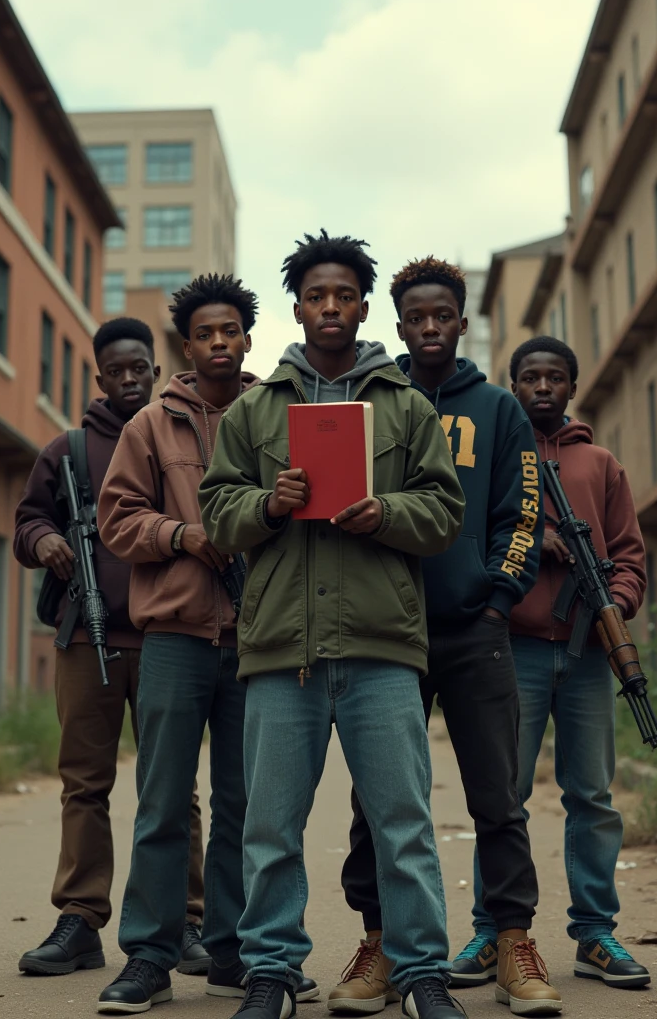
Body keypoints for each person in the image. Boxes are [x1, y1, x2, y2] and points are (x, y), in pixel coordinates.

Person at [199, 230, 468, 1019]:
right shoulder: (253, 411)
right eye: (316, 296)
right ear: (297, 306)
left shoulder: (408, 406)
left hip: (382, 648)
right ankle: (273, 973)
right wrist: (265, 505)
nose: (329, 307)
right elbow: (217, 512)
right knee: (271, 827)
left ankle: (421, 973)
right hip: (284, 650)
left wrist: (387, 512)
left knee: (404, 826)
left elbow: (445, 512)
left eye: (343, 295)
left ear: (359, 306)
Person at [336, 258, 562, 1019]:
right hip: (387, 632)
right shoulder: (376, 401)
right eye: (415, 318)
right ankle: (378, 944)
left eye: (443, 316)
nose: (429, 328)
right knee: (377, 802)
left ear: (462, 322)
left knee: (498, 799)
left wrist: (497, 601)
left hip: (473, 631)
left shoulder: (498, 408)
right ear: (396, 325)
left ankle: (512, 945)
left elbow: (521, 512)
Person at [96, 275, 312, 1015]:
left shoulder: (276, 414)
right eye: (205, 333)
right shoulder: (149, 426)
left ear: (248, 337)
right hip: (176, 639)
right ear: (185, 346)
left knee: (246, 806)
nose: (220, 342)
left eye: (231, 331)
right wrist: (185, 535)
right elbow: (117, 521)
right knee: (162, 802)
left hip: (259, 641)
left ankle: (234, 951)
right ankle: (150, 957)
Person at [13, 318, 208, 978]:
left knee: (174, 785)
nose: (130, 380)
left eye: (140, 369)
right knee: (84, 784)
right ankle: (79, 921)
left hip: (167, 640)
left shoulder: (169, 434)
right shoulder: (66, 450)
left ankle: (186, 920)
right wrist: (42, 541)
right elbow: (27, 518)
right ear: (98, 377)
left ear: (156, 369)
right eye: (117, 371)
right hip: (83, 639)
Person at [470, 335, 650, 990]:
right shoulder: (498, 454)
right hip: (511, 647)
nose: (542, 387)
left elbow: (630, 554)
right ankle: (492, 934)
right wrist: (531, 543)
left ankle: (595, 933)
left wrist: (616, 604)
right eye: (530, 377)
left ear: (572, 387)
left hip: (588, 652)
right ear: (511, 384)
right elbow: (471, 537)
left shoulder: (599, 464)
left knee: (593, 796)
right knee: (503, 793)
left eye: (555, 378)